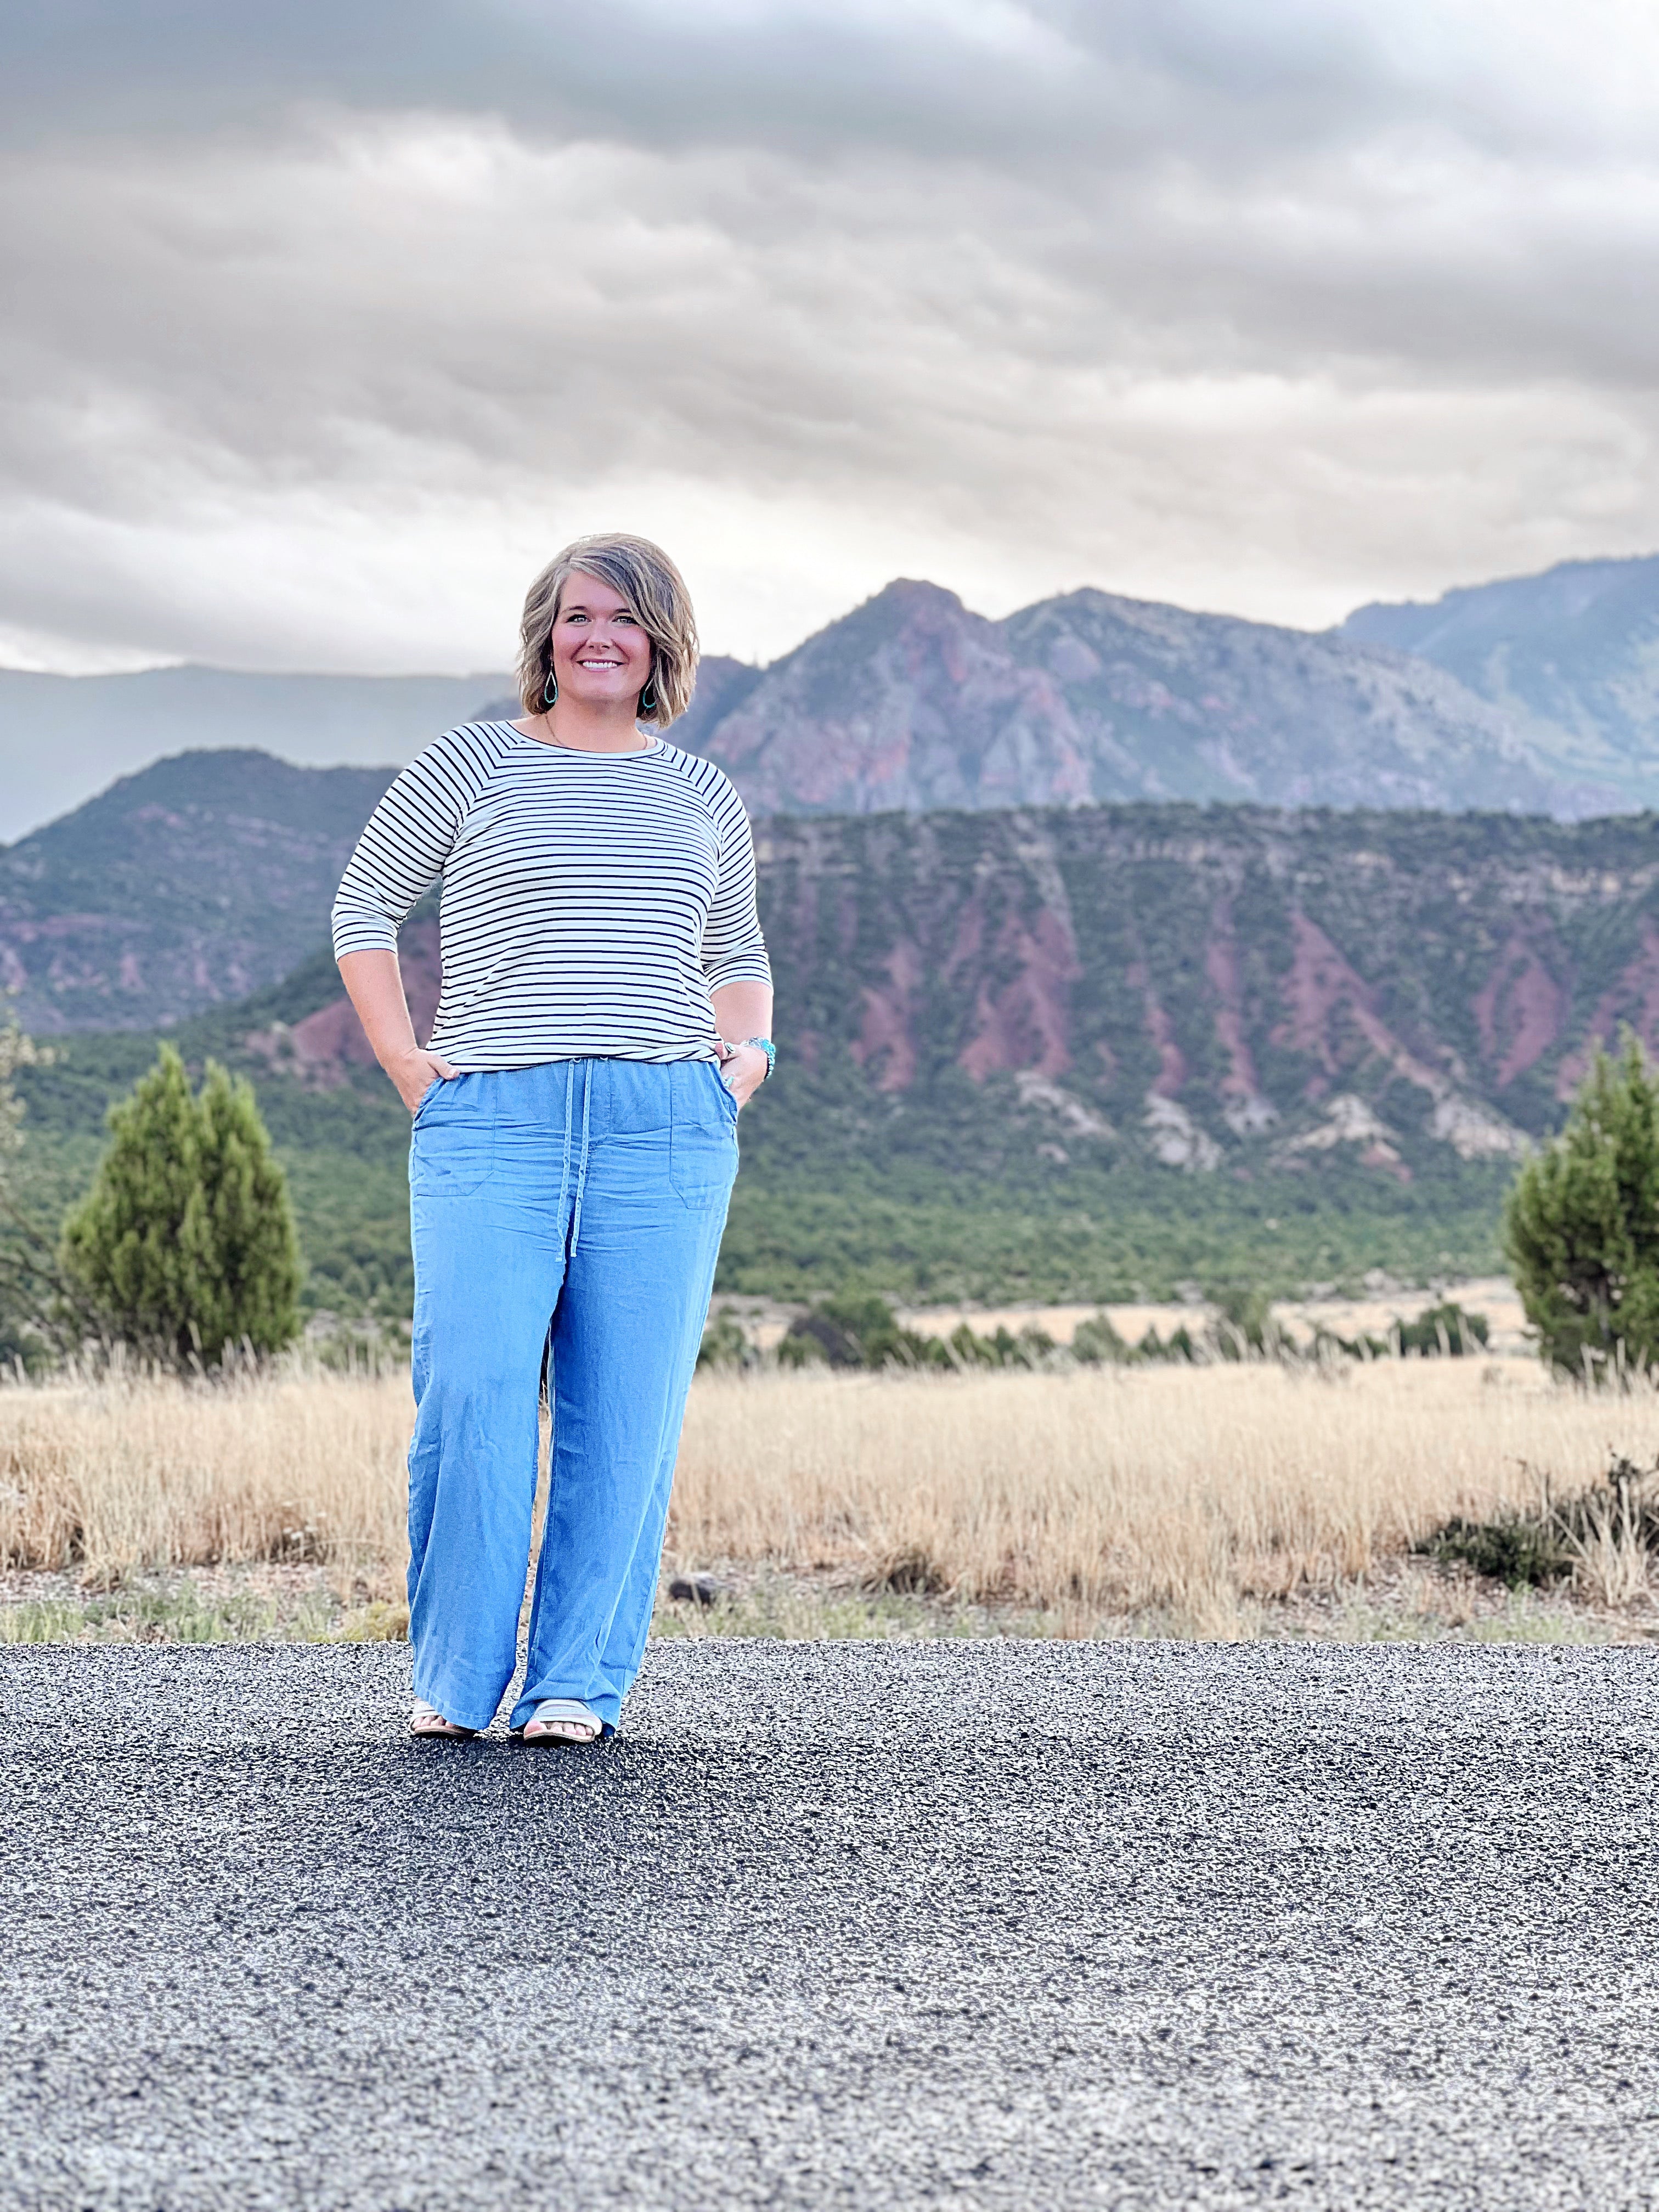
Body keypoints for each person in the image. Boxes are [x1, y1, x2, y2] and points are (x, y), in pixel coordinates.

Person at [331, 533, 773, 1745]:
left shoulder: (702, 795)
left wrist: (746, 1066)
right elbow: (364, 906)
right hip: (494, 1119)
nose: (599, 637)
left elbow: (738, 953)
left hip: (663, 1129)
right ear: (546, 632)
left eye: (626, 620)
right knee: (470, 1394)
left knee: (624, 1416)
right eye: (580, 615)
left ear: (660, 644)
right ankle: (458, 1682)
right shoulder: (471, 763)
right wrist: (410, 1066)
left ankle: (577, 1683)